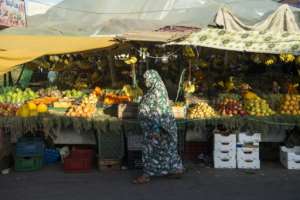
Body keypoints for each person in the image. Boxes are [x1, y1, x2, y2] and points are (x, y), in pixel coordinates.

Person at [133, 70, 183, 184]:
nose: (145, 82)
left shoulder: (156, 92)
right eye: (145, 79)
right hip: (163, 127)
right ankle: (176, 169)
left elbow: (157, 112)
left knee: (149, 150)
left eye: (147, 79)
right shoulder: (157, 88)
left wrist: (155, 130)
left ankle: (146, 175)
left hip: (159, 128)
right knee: (168, 150)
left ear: (153, 79)